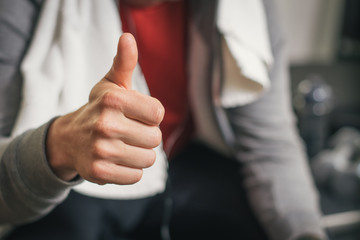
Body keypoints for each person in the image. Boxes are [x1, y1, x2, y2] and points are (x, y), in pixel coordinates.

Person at [0, 0, 327, 239]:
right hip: (71, 187)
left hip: (183, 168)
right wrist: (56, 148)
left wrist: (306, 232)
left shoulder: (245, 11)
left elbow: (269, 144)